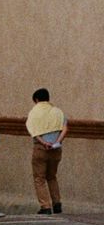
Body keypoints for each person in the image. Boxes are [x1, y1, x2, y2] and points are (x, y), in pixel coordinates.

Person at [27, 87, 68, 215]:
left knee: (39, 178)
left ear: (37, 99)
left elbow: (34, 132)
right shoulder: (58, 112)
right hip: (56, 149)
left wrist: (44, 143)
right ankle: (57, 203)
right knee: (52, 176)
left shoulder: (34, 112)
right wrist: (57, 142)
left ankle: (45, 206)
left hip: (41, 149)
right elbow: (65, 129)